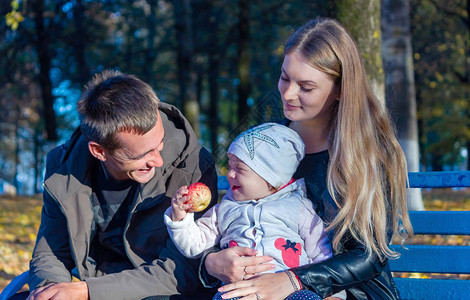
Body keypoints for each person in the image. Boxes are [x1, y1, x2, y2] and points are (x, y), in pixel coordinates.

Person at [201, 18, 412, 300]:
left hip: (354, 292)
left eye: (306, 87)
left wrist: (293, 280)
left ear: (339, 90)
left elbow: (369, 256)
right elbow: (234, 216)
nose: (288, 93)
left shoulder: (368, 154)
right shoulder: (266, 144)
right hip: (260, 286)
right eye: (285, 77)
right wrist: (211, 262)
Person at [26, 70, 218, 300]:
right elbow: (51, 252)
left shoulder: (193, 164)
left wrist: (87, 291)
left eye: (160, 144)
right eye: (143, 155)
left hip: (162, 292)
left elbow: (181, 271)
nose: (158, 160)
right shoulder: (63, 170)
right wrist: (51, 291)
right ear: (99, 151)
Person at [164, 123, 346, 300]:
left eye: (239, 169)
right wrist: (181, 218)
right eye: (230, 166)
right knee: (224, 297)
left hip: (289, 289)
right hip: (241, 290)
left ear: (271, 178)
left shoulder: (298, 207)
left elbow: (320, 251)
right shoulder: (223, 210)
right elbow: (195, 244)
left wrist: (333, 294)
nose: (230, 174)